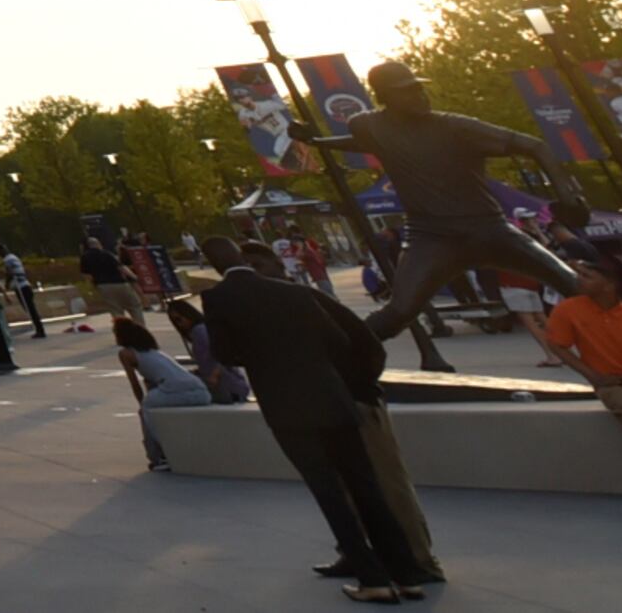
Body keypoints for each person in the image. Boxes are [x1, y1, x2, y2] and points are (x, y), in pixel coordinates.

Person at [200, 240, 437, 601]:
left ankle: (372, 578)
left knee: (329, 492)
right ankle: (407, 575)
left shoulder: (219, 299)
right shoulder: (295, 294)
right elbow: (340, 339)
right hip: (334, 398)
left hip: (287, 407)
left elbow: (227, 353)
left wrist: (264, 353)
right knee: (367, 486)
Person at [344, 62, 585, 342]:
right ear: (385, 97)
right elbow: (363, 142)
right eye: (407, 92)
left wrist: (568, 200)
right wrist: (315, 141)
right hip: (431, 237)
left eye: (419, 88)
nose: (419, 96)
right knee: (398, 312)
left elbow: (536, 146)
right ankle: (339, 356)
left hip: (489, 230)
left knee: (575, 286)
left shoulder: (455, 127)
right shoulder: (369, 126)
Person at [532, 250, 622, 421]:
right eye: (579, 273)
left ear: (610, 285)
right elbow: (557, 345)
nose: (578, 279)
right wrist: (593, 377)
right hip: (611, 384)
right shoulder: (568, 309)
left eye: (587, 276)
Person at [116, 316, 219, 468]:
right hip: (201, 392)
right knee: (153, 403)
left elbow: (135, 384)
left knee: (147, 410)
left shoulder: (126, 354)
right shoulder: (155, 352)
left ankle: (159, 455)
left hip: (175, 389)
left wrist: (141, 404)